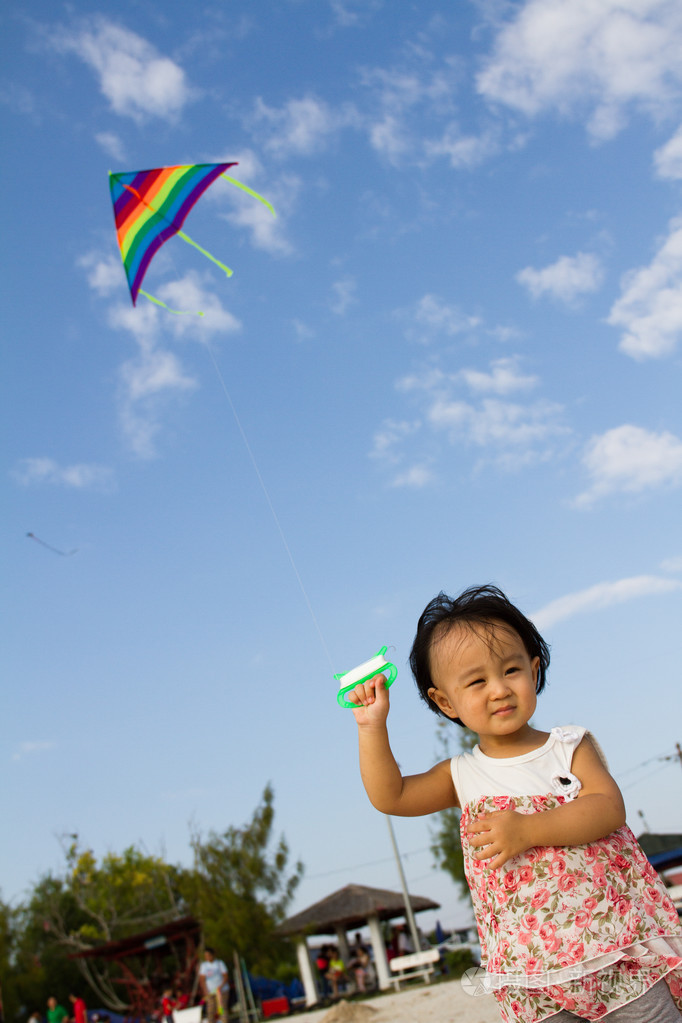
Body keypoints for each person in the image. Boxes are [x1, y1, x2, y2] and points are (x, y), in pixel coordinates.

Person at [347, 584, 682, 1022]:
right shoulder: (461, 776)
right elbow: (390, 796)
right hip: (530, 970)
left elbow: (607, 807)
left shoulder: (568, 747)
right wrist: (372, 728)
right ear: (445, 701)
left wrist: (527, 830)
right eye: (477, 681)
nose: (499, 689)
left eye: (511, 670)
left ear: (534, 668)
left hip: (613, 948)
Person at [198, 947, 229, 1023]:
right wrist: (205, 991)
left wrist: (220, 987)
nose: (207, 957)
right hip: (210, 992)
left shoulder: (219, 963)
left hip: (222, 991)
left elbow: (225, 976)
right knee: (210, 1011)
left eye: (208, 955)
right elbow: (202, 979)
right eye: (206, 956)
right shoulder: (204, 966)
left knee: (222, 1009)